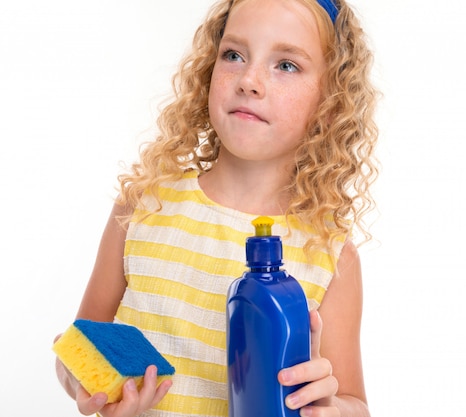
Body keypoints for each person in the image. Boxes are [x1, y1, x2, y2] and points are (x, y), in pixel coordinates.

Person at [54, 0, 379, 415]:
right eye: (234, 55)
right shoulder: (144, 207)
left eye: (286, 65)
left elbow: (354, 403)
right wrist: (90, 387)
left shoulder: (330, 254)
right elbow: (75, 350)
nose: (250, 80)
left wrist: (331, 408)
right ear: (209, 67)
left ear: (331, 102)